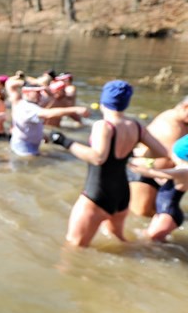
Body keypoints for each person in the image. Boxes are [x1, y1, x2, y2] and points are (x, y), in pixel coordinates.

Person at [51, 80, 168, 247]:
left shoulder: (103, 126)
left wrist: (64, 142)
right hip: (122, 195)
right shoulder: (136, 126)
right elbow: (161, 152)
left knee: (74, 247)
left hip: (97, 194)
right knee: (119, 241)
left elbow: (98, 158)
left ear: (103, 101)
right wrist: (134, 153)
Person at [128, 96, 188, 216]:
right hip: (144, 173)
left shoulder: (183, 121)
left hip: (164, 175)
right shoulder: (171, 125)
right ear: (186, 107)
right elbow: (170, 153)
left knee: (157, 212)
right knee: (141, 213)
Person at [128, 134, 188, 241]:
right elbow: (163, 179)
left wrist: (128, 163)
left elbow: (151, 173)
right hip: (163, 210)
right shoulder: (181, 168)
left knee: (150, 241)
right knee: (150, 239)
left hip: (168, 213)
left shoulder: (184, 171)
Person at [10, 86, 90, 156]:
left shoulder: (30, 105)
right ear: (26, 93)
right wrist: (75, 109)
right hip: (24, 146)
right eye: (36, 92)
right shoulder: (26, 107)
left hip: (28, 143)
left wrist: (42, 135)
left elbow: (32, 124)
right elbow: (47, 114)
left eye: (40, 92)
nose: (40, 95)